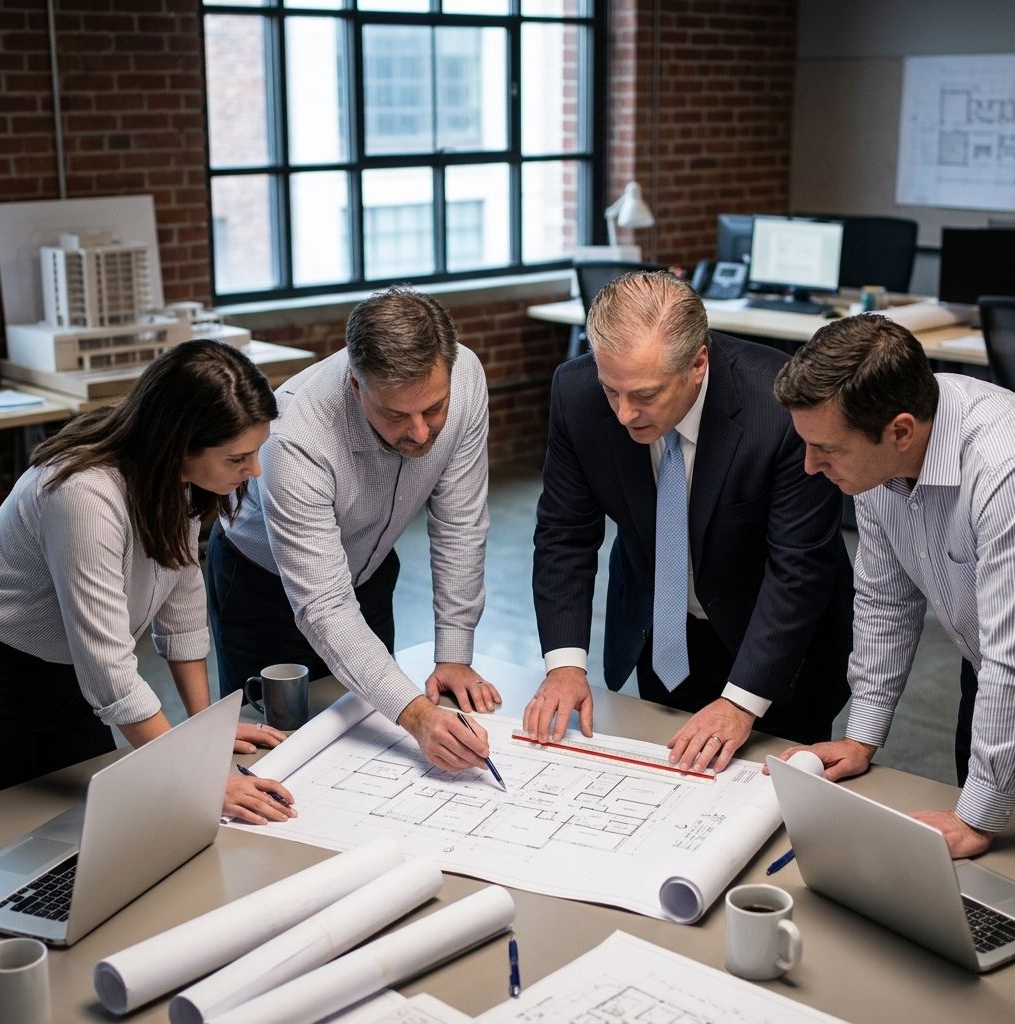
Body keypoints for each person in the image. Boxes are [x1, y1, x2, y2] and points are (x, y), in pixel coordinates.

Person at [526, 271, 853, 772]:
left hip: (777, 649)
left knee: (774, 809)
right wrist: (566, 666)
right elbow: (565, 534)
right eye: (611, 390)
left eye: (645, 395)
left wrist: (741, 703)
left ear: (698, 363)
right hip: (663, 634)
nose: (623, 414)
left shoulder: (781, 408)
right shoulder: (576, 395)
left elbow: (800, 571)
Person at [0, 340, 295, 823]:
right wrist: (196, 772)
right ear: (181, 442)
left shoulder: (172, 476)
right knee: (13, 838)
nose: (253, 471)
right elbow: (109, 670)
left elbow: (183, 610)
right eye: (237, 458)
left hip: (70, 680)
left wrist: (204, 732)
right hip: (5, 684)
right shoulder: (83, 496)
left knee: (84, 831)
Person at [207, 287, 500, 774]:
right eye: (396, 415)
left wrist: (453, 653)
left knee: (370, 737)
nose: (422, 432)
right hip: (262, 587)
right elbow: (323, 605)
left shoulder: (464, 376)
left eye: (433, 409)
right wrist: (420, 716)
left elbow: (460, 520)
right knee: (272, 756)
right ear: (356, 385)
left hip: (370, 567)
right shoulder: (296, 434)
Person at [773, 313, 1015, 858]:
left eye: (827, 449)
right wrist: (862, 735)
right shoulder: (879, 459)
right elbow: (885, 602)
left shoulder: (1003, 470)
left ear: (900, 430)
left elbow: (1012, 658)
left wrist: (977, 816)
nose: (811, 466)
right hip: (990, 674)